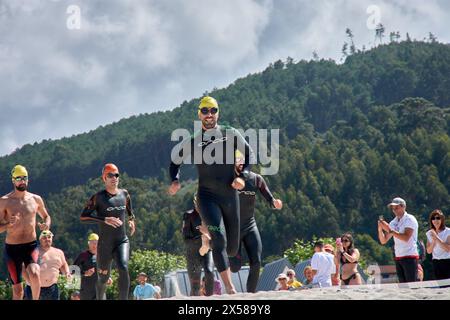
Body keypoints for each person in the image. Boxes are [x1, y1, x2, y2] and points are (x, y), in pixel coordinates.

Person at [168, 96, 255, 294]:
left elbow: (249, 154)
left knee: (232, 249)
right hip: (206, 197)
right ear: (199, 114)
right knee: (219, 239)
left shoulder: (230, 133)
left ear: (218, 113)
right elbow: (174, 163)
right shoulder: (193, 140)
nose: (209, 115)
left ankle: (212, 243)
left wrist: (243, 176)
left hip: (229, 196)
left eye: (213, 110)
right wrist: (175, 180)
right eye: (205, 111)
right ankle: (229, 287)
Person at [229, 150, 282, 293]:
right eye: (236, 161)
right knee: (235, 267)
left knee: (257, 261)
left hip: (249, 224)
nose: (240, 164)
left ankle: (251, 295)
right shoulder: (227, 178)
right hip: (232, 228)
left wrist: (275, 203)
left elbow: (269, 198)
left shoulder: (256, 179)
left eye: (242, 160)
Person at [80, 163, 136, 300]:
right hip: (105, 245)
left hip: (121, 240)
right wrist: (104, 219)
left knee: (123, 267)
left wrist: (131, 219)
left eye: (116, 175)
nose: (114, 178)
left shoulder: (124, 194)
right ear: (104, 178)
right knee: (103, 279)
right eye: (110, 175)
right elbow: (83, 217)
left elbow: (129, 209)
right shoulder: (98, 197)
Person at [0, 165, 52, 300]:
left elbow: (46, 216)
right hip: (12, 249)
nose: (22, 181)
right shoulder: (4, 202)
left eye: (25, 178)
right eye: (18, 178)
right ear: (13, 180)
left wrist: (46, 224)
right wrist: (8, 224)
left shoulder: (36, 199)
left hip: (31, 245)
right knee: (18, 291)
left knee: (35, 274)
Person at [378, 197, 419, 283]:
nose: (394, 210)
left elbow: (406, 238)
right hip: (398, 257)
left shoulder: (410, 219)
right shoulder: (393, 222)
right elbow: (384, 241)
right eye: (393, 208)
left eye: (396, 207)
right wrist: (380, 229)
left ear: (403, 207)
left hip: (410, 256)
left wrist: (391, 231)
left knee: (412, 285)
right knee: (403, 286)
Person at [24, 230, 71, 300]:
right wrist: (27, 279)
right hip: (34, 288)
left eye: (49, 237)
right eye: (44, 238)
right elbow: (24, 266)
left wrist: (67, 272)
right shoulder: (34, 251)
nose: (47, 239)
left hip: (52, 288)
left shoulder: (59, 252)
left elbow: (63, 264)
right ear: (40, 240)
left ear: (52, 239)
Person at [182, 194, 214, 296]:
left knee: (209, 271)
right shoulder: (188, 215)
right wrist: (201, 237)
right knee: (195, 285)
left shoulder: (211, 214)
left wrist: (208, 234)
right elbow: (186, 237)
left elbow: (219, 229)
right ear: (195, 203)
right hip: (193, 252)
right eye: (197, 203)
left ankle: (209, 297)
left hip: (207, 248)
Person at [73, 233, 112, 300]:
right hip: (86, 291)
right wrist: (85, 273)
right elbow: (73, 270)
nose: (95, 245)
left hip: (100, 290)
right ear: (89, 243)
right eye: (93, 243)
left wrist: (109, 278)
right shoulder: (83, 256)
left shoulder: (102, 256)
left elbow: (105, 269)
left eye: (96, 243)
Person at [426, 209, 450, 280]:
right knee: (440, 285)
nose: (435, 220)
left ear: (442, 219)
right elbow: (429, 251)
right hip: (436, 262)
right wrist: (433, 241)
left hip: (447, 261)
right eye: (433, 218)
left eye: (438, 218)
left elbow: (448, 249)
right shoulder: (429, 233)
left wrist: (436, 238)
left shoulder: (448, 232)